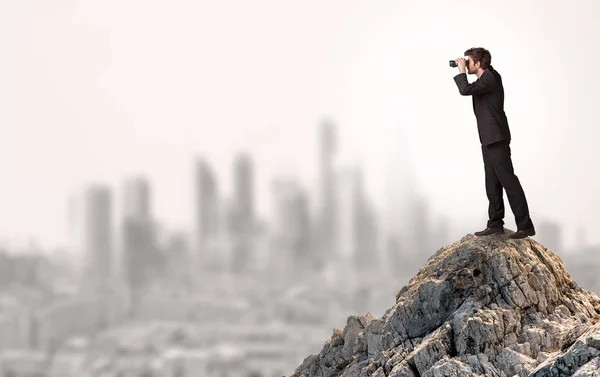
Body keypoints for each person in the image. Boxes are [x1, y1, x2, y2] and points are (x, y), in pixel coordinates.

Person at [453, 47, 535, 239]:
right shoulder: (485, 80)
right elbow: (472, 89)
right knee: (492, 182)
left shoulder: (490, 78)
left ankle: (526, 225)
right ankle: (495, 223)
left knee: (508, 181)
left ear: (478, 63)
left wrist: (462, 72)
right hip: (489, 138)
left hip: (496, 137)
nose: (466, 63)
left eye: (469, 61)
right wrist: (466, 69)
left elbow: (465, 90)